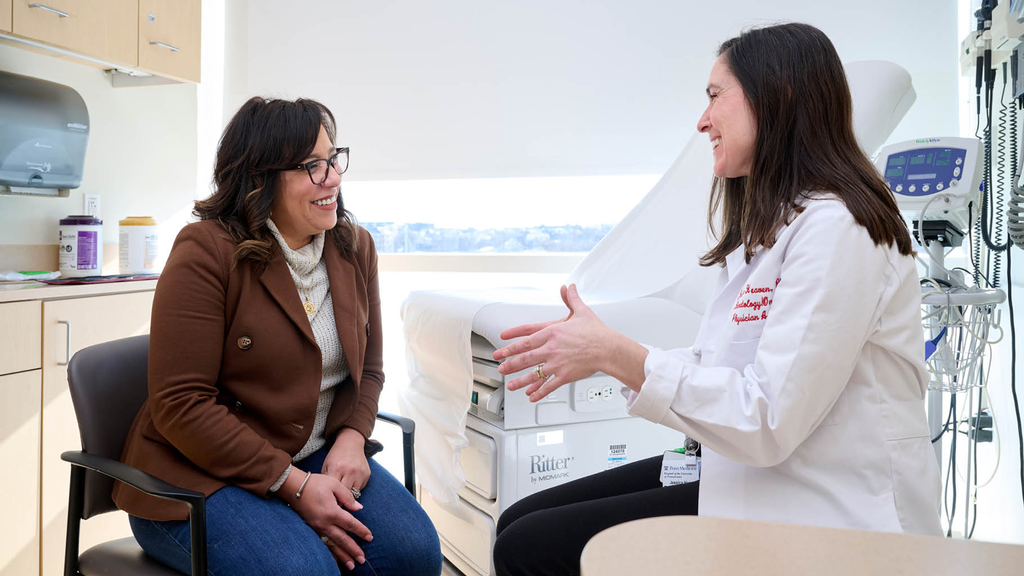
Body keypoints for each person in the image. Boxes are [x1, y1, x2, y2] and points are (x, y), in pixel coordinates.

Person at [490, 22, 942, 576]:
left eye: (713, 96)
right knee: (516, 520)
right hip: (754, 474)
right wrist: (604, 355)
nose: (702, 121)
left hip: (827, 503)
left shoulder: (838, 229)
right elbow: (720, 366)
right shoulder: (774, 226)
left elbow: (768, 417)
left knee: (529, 546)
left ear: (775, 97)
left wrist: (616, 356)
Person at [113, 97, 442, 576]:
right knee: (303, 571)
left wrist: (352, 438)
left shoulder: (355, 247)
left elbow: (368, 369)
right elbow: (182, 404)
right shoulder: (207, 251)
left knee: (414, 554)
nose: (333, 177)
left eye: (333, 159)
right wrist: (293, 486)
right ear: (259, 177)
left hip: (315, 454)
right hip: (198, 476)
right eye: (312, 166)